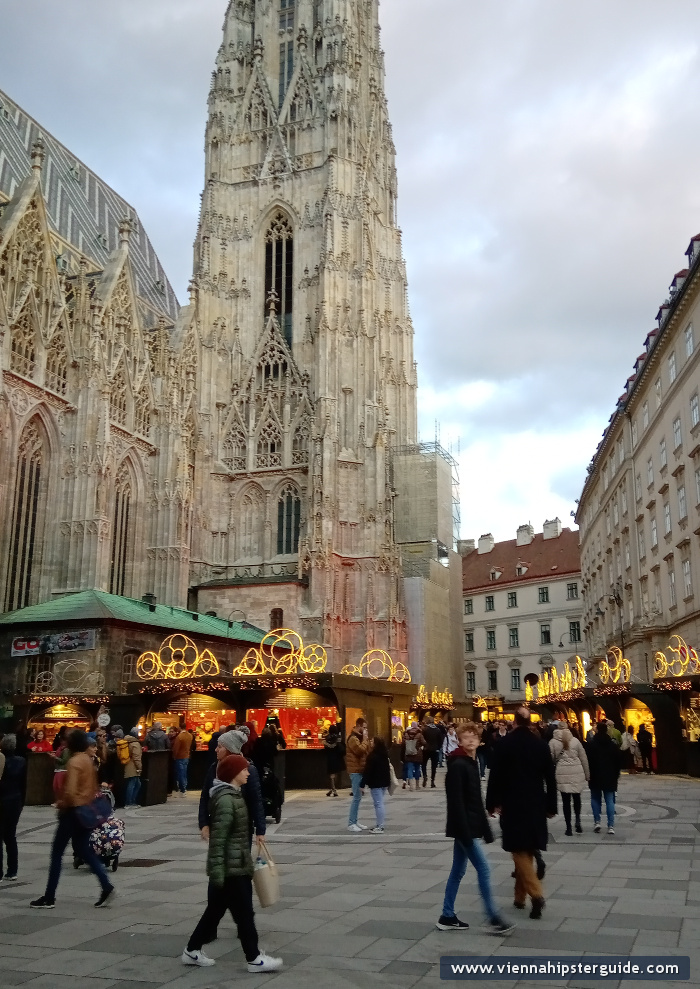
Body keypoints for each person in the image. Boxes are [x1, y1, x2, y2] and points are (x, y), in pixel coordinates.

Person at [183, 754, 282, 973]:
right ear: (234, 774)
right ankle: (254, 958)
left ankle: (192, 950)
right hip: (231, 868)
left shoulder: (233, 796)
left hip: (234, 865)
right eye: (244, 769)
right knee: (244, 913)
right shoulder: (227, 800)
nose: (248, 772)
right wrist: (218, 873)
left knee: (216, 911)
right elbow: (218, 841)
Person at [437, 723, 514, 935]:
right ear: (459, 741)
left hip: (468, 826)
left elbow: (475, 801)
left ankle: (447, 915)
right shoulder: (458, 765)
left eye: (474, 737)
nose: (470, 741)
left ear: (479, 741)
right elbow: (456, 803)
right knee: (484, 869)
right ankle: (493, 917)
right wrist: (465, 831)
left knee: (458, 871)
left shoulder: (471, 763)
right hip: (464, 828)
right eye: (466, 737)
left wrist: (485, 828)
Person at [30, 729, 115, 909]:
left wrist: (62, 803)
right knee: (85, 850)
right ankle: (106, 885)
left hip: (72, 812)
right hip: (87, 811)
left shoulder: (74, 762)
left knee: (57, 853)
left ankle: (49, 896)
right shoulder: (87, 760)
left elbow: (69, 790)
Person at [486, 706, 556, 919]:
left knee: (518, 849)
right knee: (526, 848)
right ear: (530, 722)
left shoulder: (504, 744)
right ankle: (519, 897)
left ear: (513, 722)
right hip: (535, 802)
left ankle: (536, 894)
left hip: (513, 802)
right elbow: (550, 779)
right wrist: (551, 806)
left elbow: (495, 775)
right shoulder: (541, 745)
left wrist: (492, 802)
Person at [199, 730, 266, 848]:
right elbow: (205, 797)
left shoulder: (248, 770)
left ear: (230, 749)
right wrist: (204, 823)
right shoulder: (214, 768)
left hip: (242, 831)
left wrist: (260, 830)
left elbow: (256, 801)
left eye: (220, 747)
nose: (216, 750)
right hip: (218, 827)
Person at [549, 724, 589, 836]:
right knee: (577, 798)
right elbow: (583, 758)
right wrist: (587, 775)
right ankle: (578, 821)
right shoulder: (575, 741)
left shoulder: (553, 742)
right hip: (577, 772)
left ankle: (568, 828)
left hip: (562, 773)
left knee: (566, 801)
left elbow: (550, 760)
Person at [586, 721, 622, 834]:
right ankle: (611, 825)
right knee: (610, 801)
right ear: (606, 730)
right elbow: (618, 763)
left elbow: (588, 762)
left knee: (595, 799)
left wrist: (588, 775)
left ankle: (597, 821)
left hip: (595, 775)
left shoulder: (591, 745)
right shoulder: (612, 745)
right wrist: (616, 775)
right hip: (610, 776)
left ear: (597, 730)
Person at [0, 734, 27, 881]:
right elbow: (23, 785)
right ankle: (12, 870)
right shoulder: (21, 761)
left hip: (2, 800)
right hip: (15, 800)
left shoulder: (1, 761)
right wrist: (22, 802)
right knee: (10, 836)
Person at [360, 737, 391, 834]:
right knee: (379, 803)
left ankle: (380, 826)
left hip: (376, 783)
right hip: (384, 782)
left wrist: (362, 784)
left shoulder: (372, 756)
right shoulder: (384, 755)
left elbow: (367, 771)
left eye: (372, 741)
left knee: (378, 804)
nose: (370, 742)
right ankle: (379, 824)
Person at [346, 717, 372, 832]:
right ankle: (351, 823)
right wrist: (366, 740)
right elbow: (359, 751)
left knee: (359, 797)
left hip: (360, 770)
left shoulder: (359, 738)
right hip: (355, 770)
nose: (365, 730)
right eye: (364, 727)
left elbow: (366, 751)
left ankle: (355, 821)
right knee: (356, 797)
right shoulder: (353, 738)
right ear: (359, 726)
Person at [400, 721, 424, 791]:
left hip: (408, 754)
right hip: (417, 754)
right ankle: (417, 785)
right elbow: (424, 742)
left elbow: (403, 744)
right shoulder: (419, 734)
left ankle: (411, 786)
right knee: (417, 769)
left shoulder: (406, 734)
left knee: (409, 769)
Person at [421, 715, 443, 788]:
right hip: (435, 749)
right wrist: (438, 747)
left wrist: (423, 746)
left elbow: (422, 739)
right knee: (434, 767)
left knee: (424, 764)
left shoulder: (425, 730)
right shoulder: (437, 730)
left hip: (426, 749)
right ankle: (432, 781)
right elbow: (440, 741)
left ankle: (425, 776)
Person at [123, 728, 143, 808]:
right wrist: (139, 767)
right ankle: (129, 802)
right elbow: (136, 757)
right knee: (133, 784)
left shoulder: (127, 741)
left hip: (128, 765)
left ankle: (131, 801)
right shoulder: (135, 743)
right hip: (133, 766)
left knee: (137, 784)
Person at [323, 724, 345, 797]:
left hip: (330, 758)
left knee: (331, 774)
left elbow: (325, 749)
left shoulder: (327, 738)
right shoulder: (338, 738)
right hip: (337, 758)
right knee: (334, 774)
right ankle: (333, 789)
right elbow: (342, 748)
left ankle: (332, 789)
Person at [172, 724, 194, 795]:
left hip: (180, 757)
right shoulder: (190, 736)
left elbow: (176, 748)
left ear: (180, 728)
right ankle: (185, 786)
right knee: (184, 772)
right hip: (186, 756)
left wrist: (174, 756)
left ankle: (182, 789)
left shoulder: (179, 737)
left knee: (180, 773)